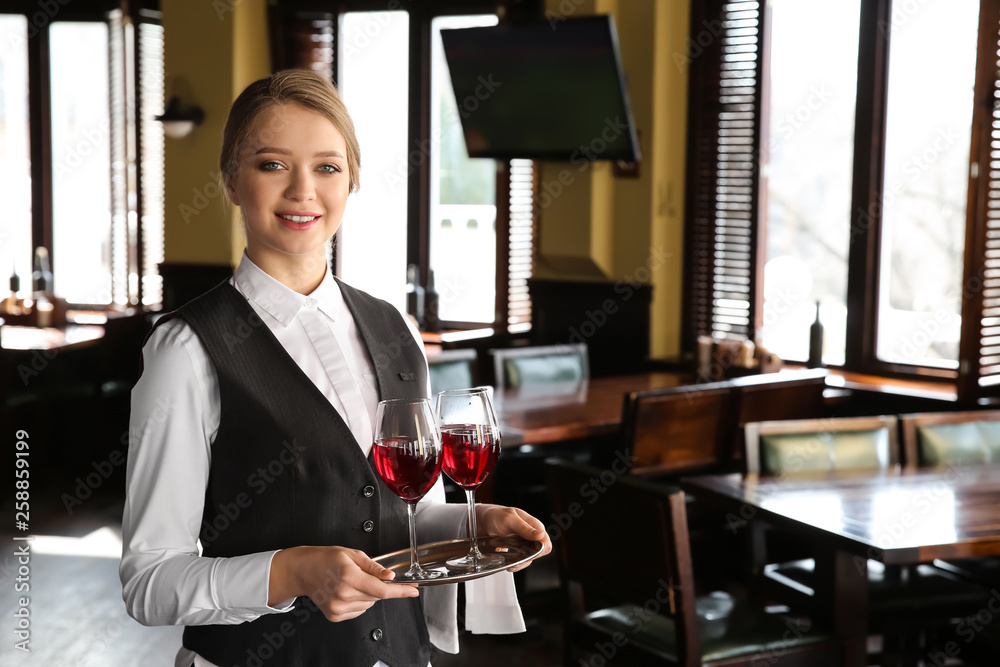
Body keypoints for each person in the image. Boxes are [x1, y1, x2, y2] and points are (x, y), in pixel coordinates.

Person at [119, 69, 551, 667]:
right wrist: (292, 571)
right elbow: (149, 583)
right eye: (272, 164)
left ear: (351, 183)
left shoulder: (395, 330)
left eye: (326, 167)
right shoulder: (185, 348)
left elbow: (409, 514)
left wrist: (478, 525)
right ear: (231, 182)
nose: (303, 191)